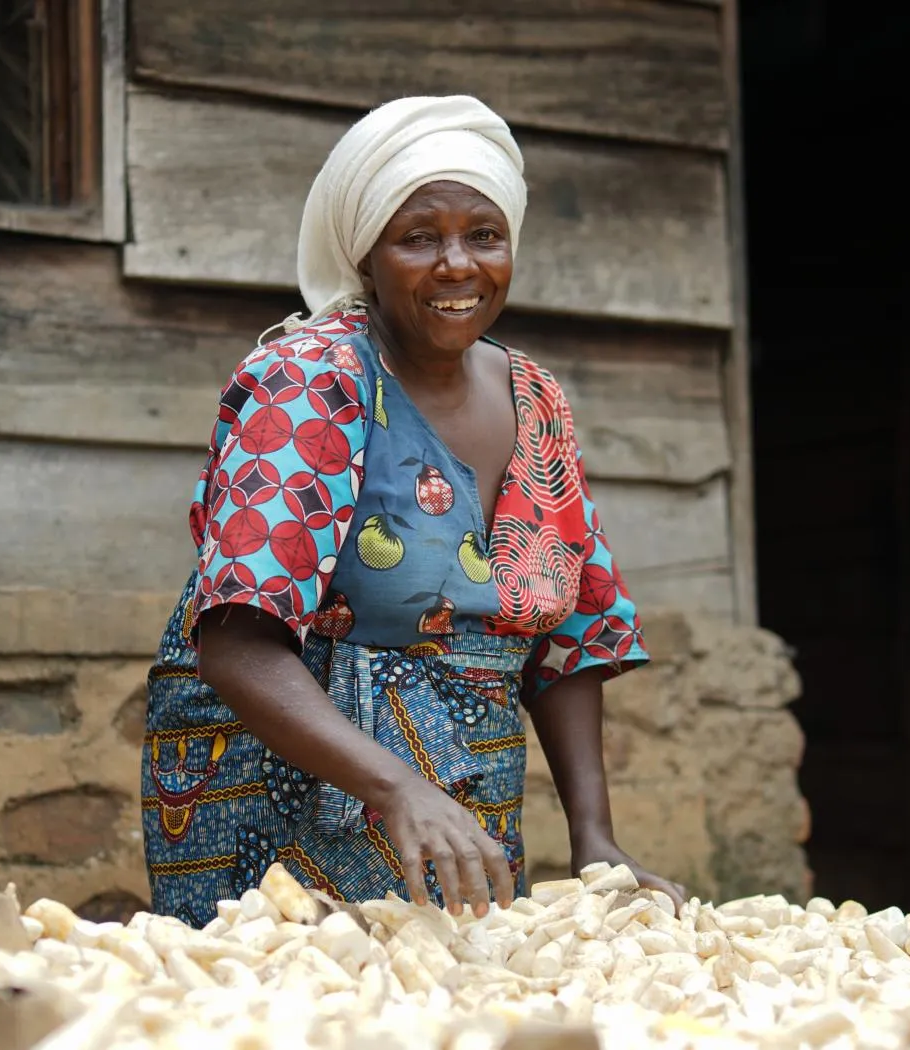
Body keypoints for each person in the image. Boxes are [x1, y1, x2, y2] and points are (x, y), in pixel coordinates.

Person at [140, 94, 683, 924]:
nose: (458, 264)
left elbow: (569, 643)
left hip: (465, 791)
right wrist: (399, 786)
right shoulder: (312, 382)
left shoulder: (533, 396)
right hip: (287, 789)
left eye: (484, 235)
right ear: (366, 257)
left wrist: (595, 838)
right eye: (419, 237)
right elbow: (237, 644)